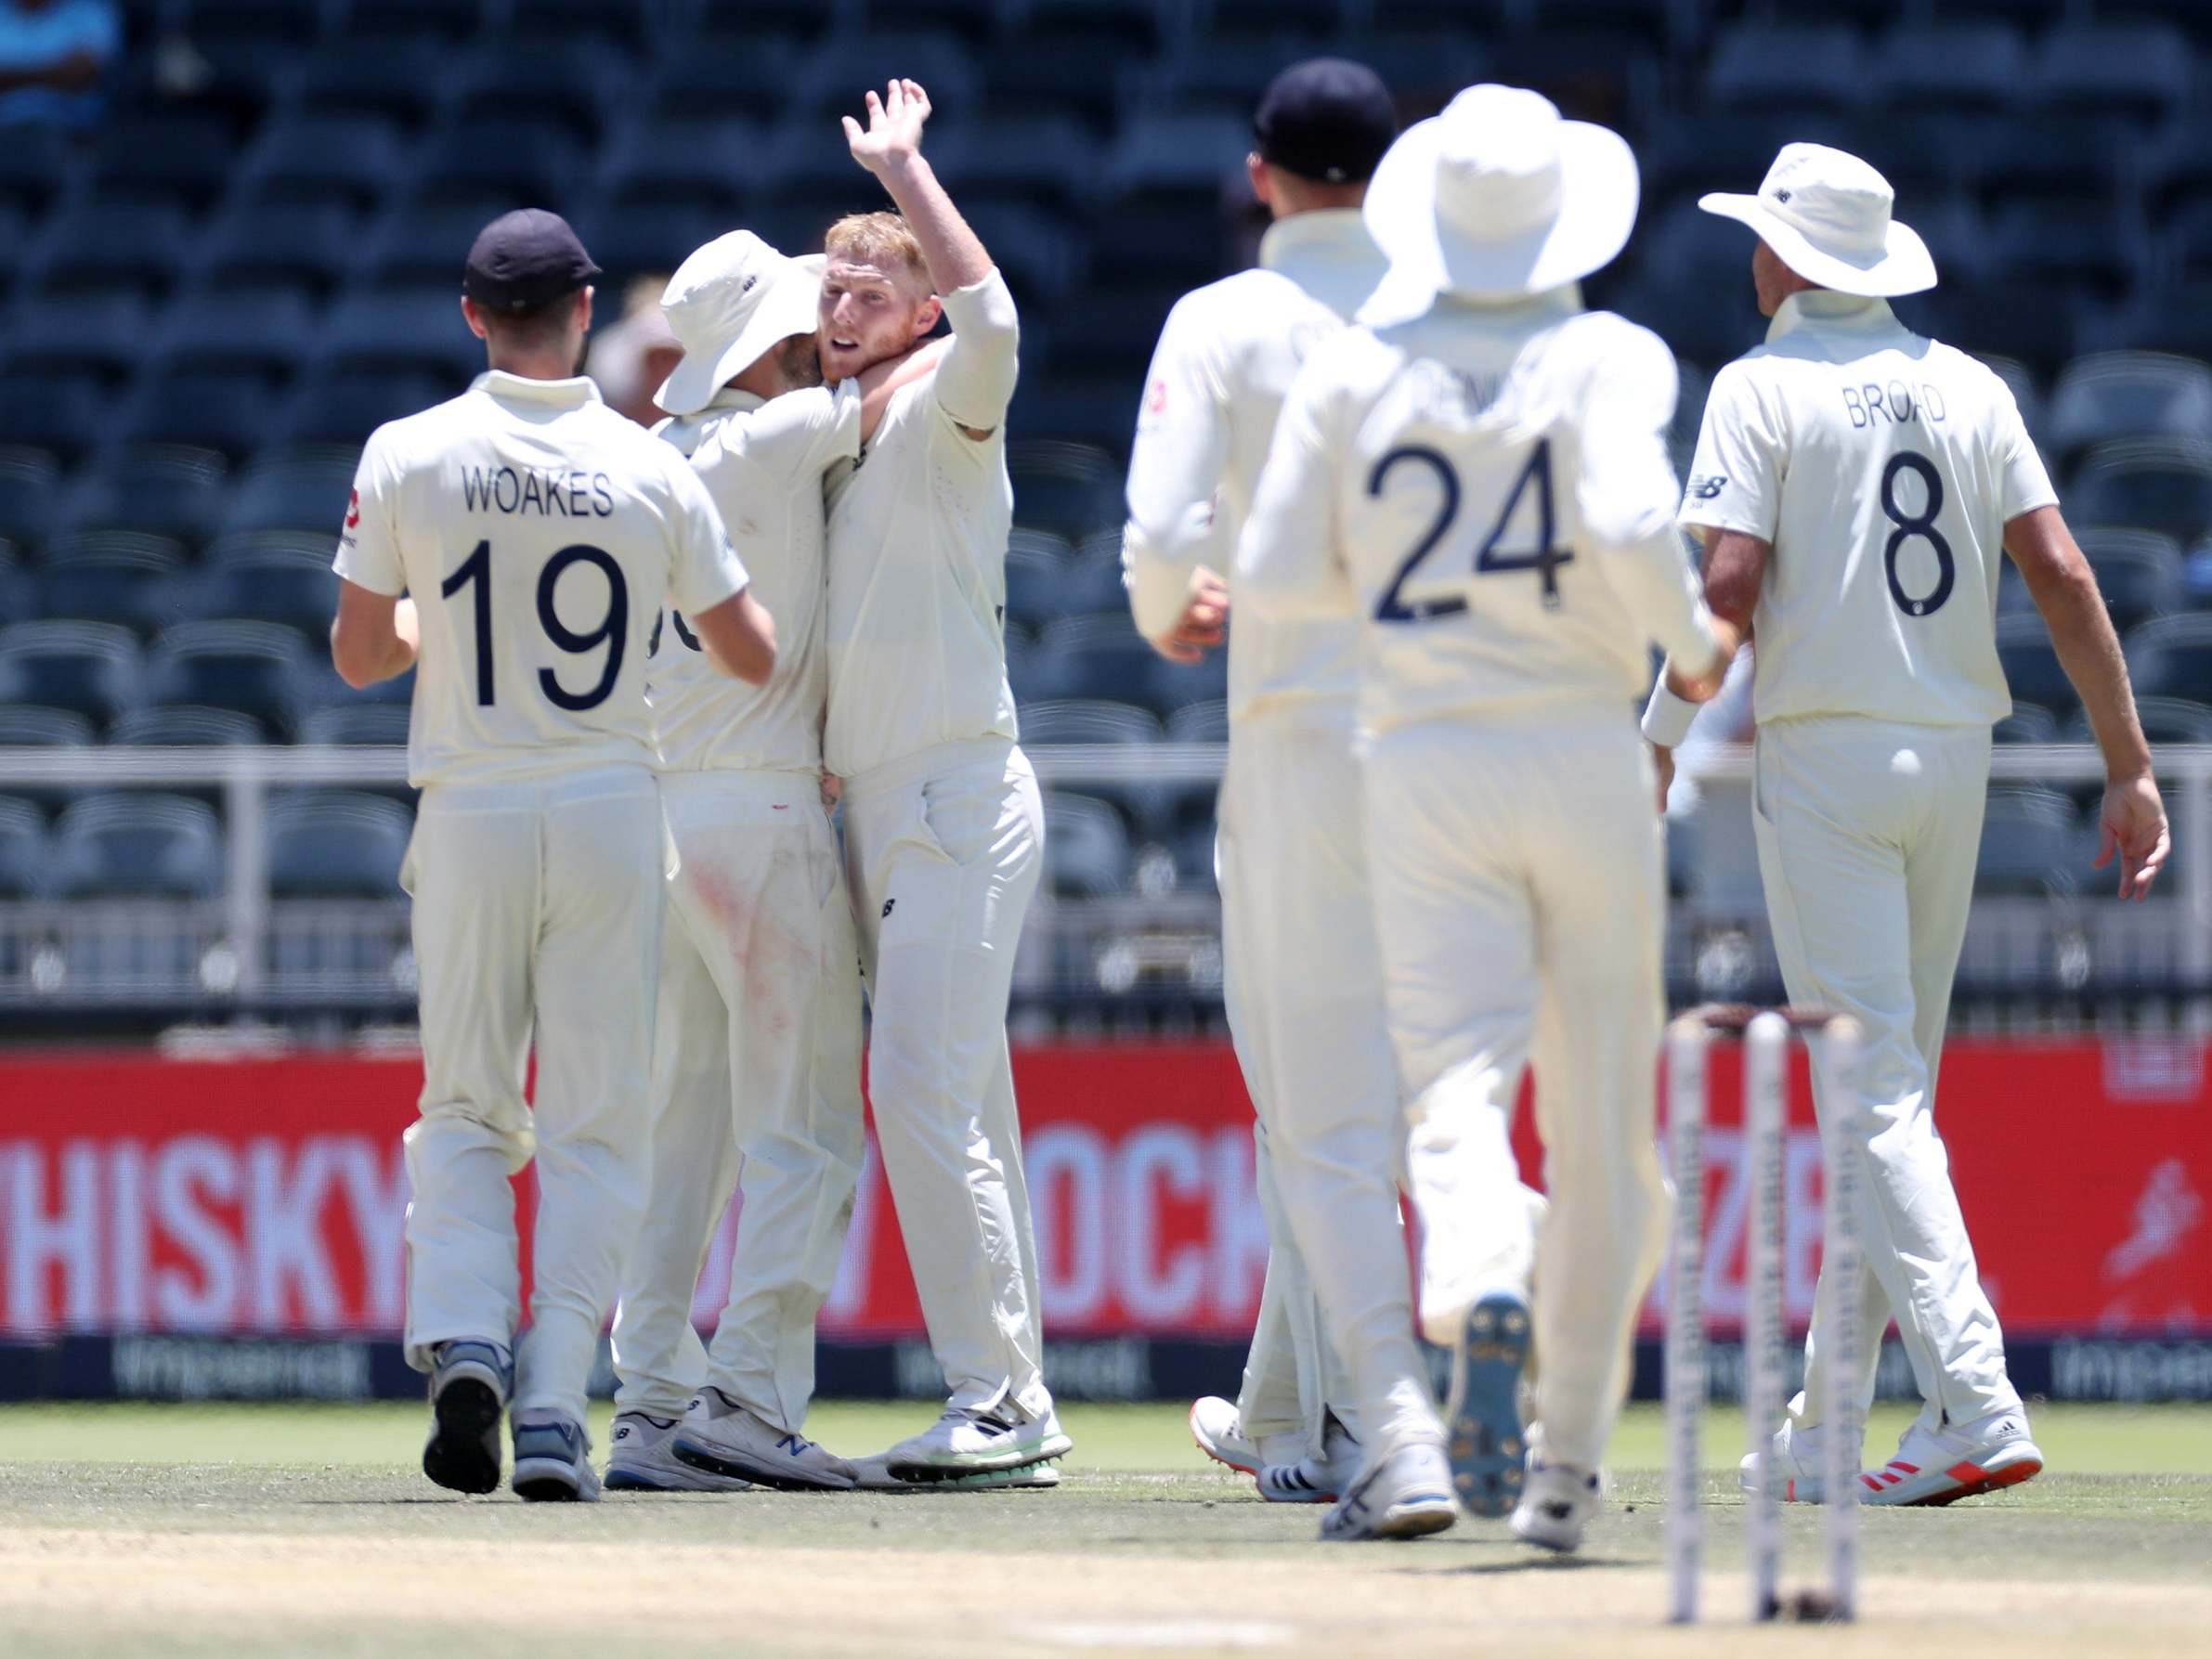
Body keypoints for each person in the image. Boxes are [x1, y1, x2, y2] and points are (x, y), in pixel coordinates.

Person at [1239, 85, 1736, 1549]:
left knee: (1452, 1078)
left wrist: (1393, 595)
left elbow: (1269, 568)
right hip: (1583, 751)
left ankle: (1475, 1264)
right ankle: (1564, 1468)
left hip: (1420, 754)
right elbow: (1645, 531)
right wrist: (1693, 656)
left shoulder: (1356, 367)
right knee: (1604, 1129)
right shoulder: (1606, 353)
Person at [1647, 142, 2170, 1508]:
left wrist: (1653, 737)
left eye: (1761, 234)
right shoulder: (1966, 383)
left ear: (1790, 259)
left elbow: (1731, 584)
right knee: (1890, 1100)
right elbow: (2056, 571)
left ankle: (1972, 1393)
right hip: (1953, 755)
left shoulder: (1757, 388)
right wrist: (2128, 763)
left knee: (1871, 1096)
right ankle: (1830, 1418)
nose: (1748, 255)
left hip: (1822, 753)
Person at [329, 209, 777, 1503]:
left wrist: (428, 619)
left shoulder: (406, 449)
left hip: (468, 805)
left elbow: (359, 654)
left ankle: (465, 1330)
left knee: (466, 1103)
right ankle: (549, 1403)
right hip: (605, 807)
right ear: (585, 311)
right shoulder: (650, 465)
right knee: (595, 1127)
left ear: (472, 313)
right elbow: (747, 649)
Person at [605, 230, 941, 1495]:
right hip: (757, 809)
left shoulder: (649, 455)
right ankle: (748, 1393)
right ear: (777, 344)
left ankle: (648, 1402)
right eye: (814, 316)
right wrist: (894, 288)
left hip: (655, 823)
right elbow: (945, 355)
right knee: (801, 1123)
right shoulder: (782, 433)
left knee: (677, 1135)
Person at [1122, 57, 1403, 1507]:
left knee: (1307, 1099)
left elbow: (1162, 526)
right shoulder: (1465, 314)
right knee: (1374, 1094)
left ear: (1258, 174)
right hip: (1461, 737)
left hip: (1298, 729)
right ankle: (1288, 1408)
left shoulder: (1223, 317)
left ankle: (1372, 1420)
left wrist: (1166, 603)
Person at [818, 79, 1065, 1482]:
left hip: (961, 792)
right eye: (833, 281)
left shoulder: (948, 401)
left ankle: (1000, 1396)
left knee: (917, 1088)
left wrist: (905, 174)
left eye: (873, 285)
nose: (845, 301)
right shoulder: (833, 423)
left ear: (918, 312)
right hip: (885, 799)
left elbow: (998, 320)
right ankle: (1010, 1389)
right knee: (961, 1101)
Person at [0, 0, 117, 129]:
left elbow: (78, 77)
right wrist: (55, 73)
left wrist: (11, 75)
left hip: (72, 129)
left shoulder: (89, 10)